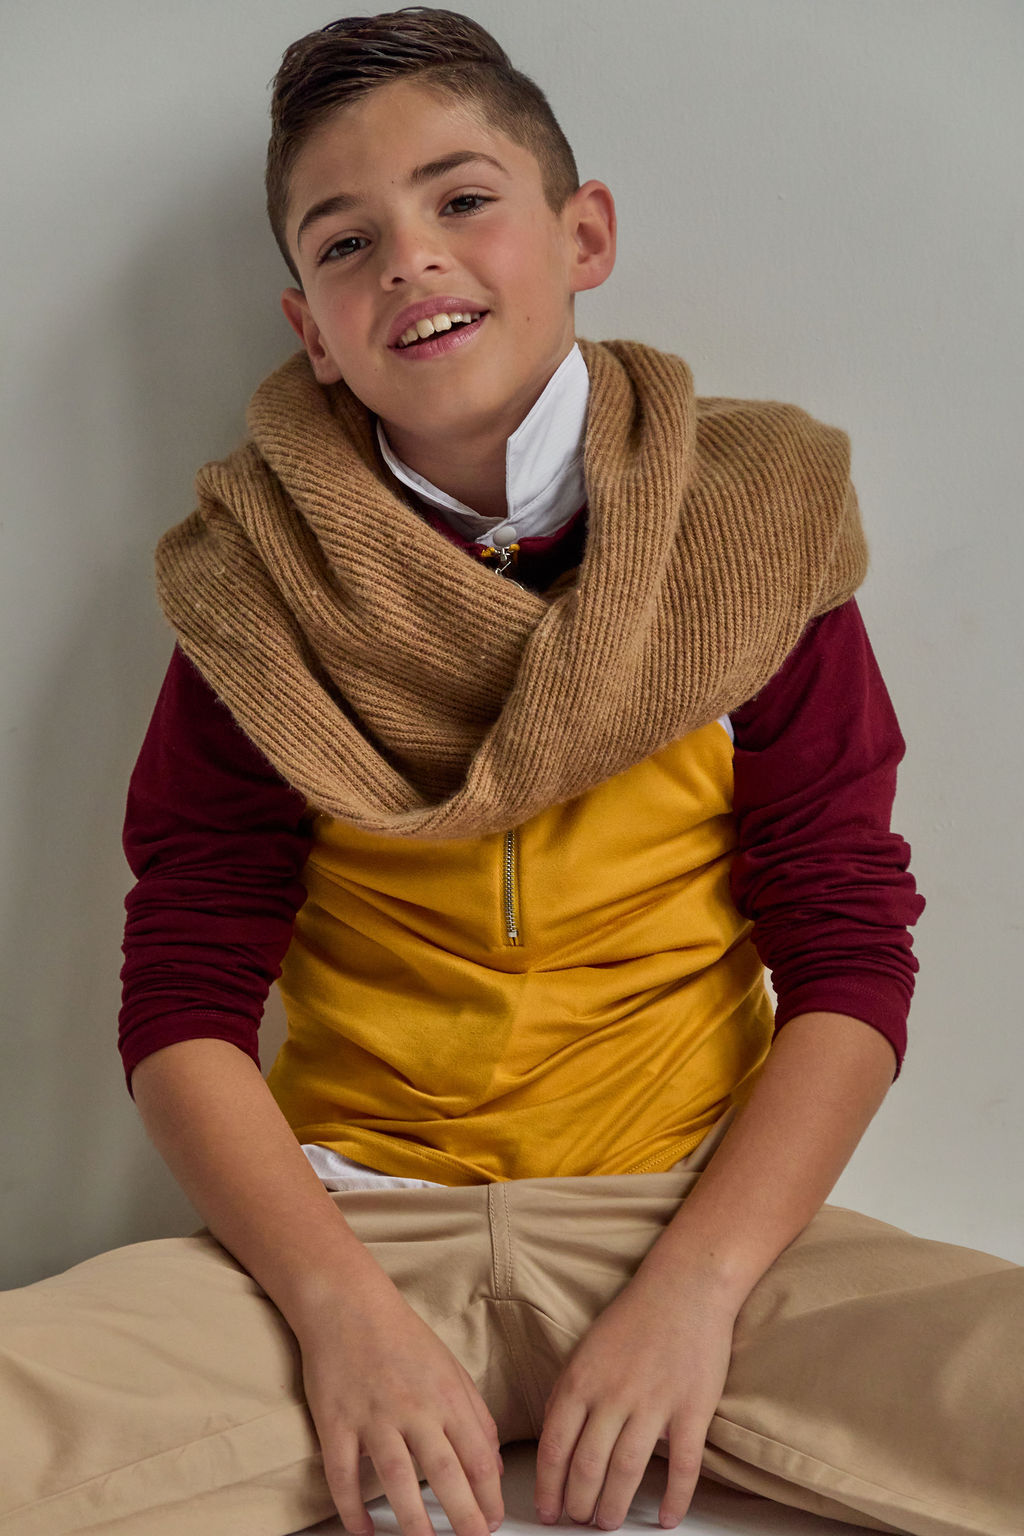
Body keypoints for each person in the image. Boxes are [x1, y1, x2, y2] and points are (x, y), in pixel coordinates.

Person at [1, 10, 1020, 1536]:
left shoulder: (757, 532)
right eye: (346, 243)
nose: (409, 258)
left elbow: (849, 944)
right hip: (346, 1241)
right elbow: (185, 991)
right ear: (310, 327)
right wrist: (340, 1319)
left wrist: (698, 1292)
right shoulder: (251, 592)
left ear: (583, 232)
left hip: (703, 1227)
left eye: (463, 199)